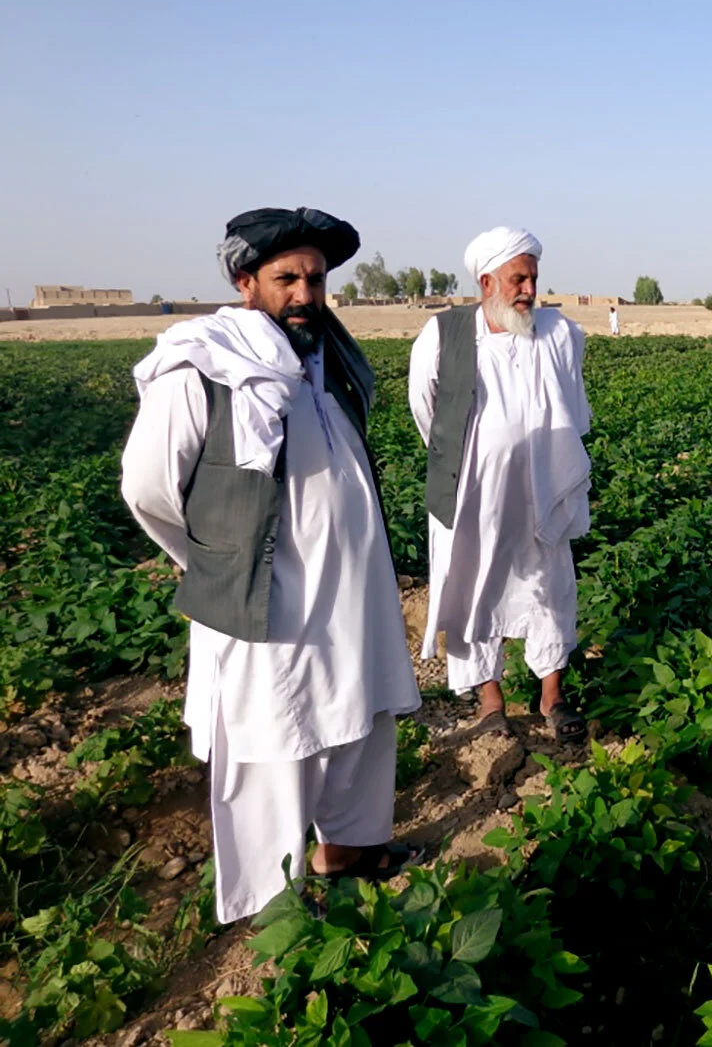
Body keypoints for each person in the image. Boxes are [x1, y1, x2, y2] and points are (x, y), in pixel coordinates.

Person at [121, 207, 424, 924]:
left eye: (316, 278)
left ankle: (349, 852)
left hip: (349, 594)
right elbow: (148, 485)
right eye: (287, 277)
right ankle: (276, 908)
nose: (305, 293)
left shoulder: (325, 359)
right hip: (271, 601)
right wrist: (214, 557)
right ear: (245, 281)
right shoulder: (203, 364)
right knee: (274, 737)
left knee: (358, 717)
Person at [408, 226, 592, 743]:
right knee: (474, 584)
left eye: (533, 278)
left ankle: (552, 694)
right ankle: (491, 701)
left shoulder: (558, 334)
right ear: (486, 281)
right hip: (474, 490)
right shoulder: (443, 335)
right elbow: (426, 409)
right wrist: (473, 457)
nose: (529, 290)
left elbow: (573, 407)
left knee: (550, 583)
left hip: (541, 485)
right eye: (518, 279)